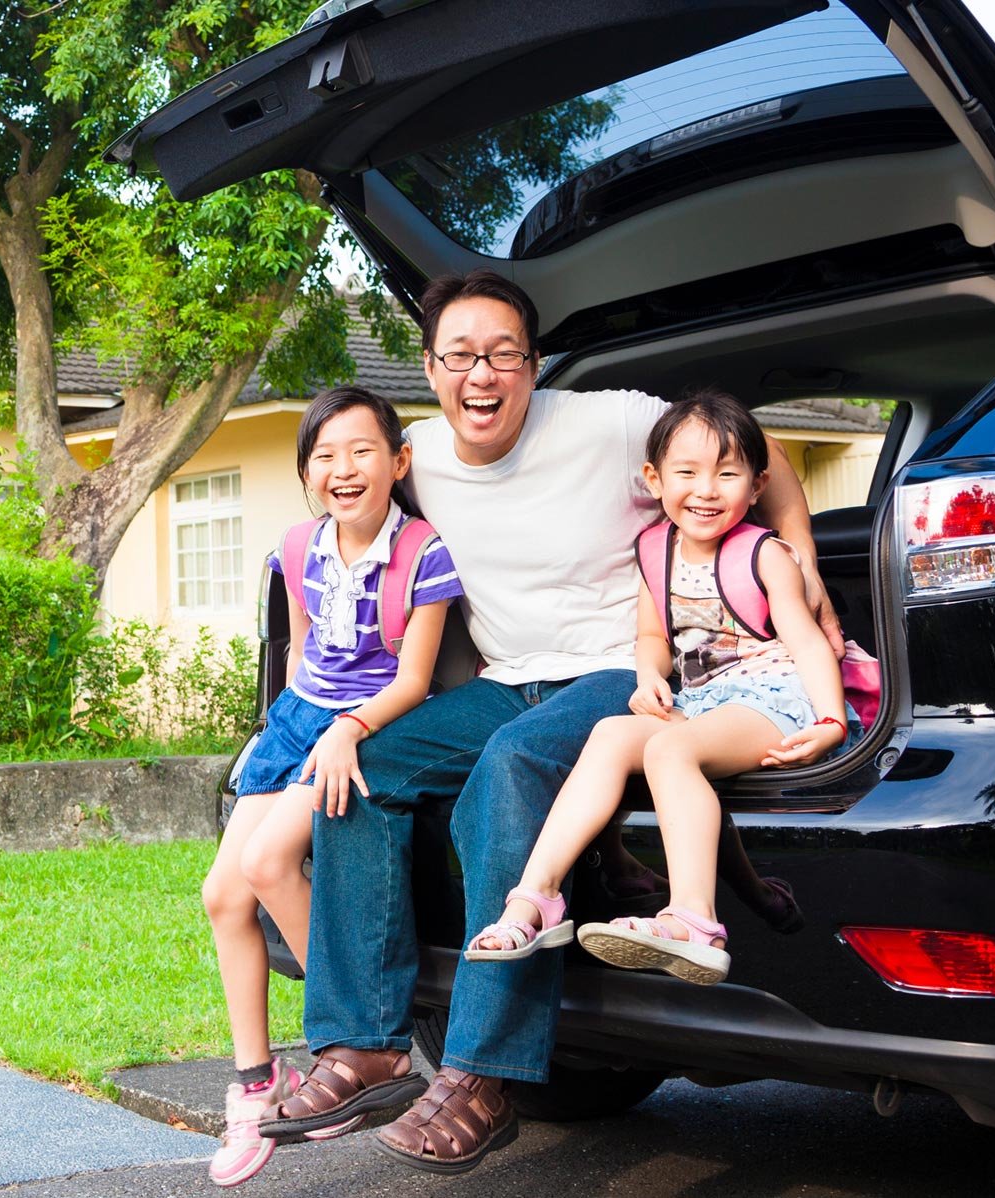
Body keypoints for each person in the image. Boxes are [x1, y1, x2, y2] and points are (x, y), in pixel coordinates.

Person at [256, 269, 838, 1175]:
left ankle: (484, 1074)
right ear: (430, 367)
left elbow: (763, 460)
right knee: (363, 769)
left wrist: (801, 578)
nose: (480, 376)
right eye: (459, 357)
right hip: (507, 677)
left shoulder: (612, 422)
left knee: (512, 764)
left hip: (624, 673)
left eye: (502, 355)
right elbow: (351, 535)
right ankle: (362, 1044)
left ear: (533, 364)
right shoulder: (412, 456)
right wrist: (330, 707)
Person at [466, 388, 858, 984]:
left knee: (667, 748)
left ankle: (695, 921)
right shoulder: (655, 550)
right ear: (653, 479)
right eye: (687, 472)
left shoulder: (766, 553)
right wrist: (650, 674)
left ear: (755, 488)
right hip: (704, 697)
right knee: (609, 734)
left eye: (727, 474)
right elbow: (653, 636)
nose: (706, 490)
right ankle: (535, 898)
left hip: (774, 695)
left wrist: (831, 720)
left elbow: (806, 641)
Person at [200, 385, 463, 1187]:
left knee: (270, 863)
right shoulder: (296, 547)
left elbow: (415, 680)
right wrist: (282, 725)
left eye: (361, 451)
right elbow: (302, 648)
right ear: (308, 472)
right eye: (324, 455)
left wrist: (348, 731)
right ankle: (258, 1080)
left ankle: (365, 1038)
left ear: (398, 462)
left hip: (367, 726)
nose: (342, 469)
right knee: (222, 896)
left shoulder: (423, 552)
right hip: (296, 724)